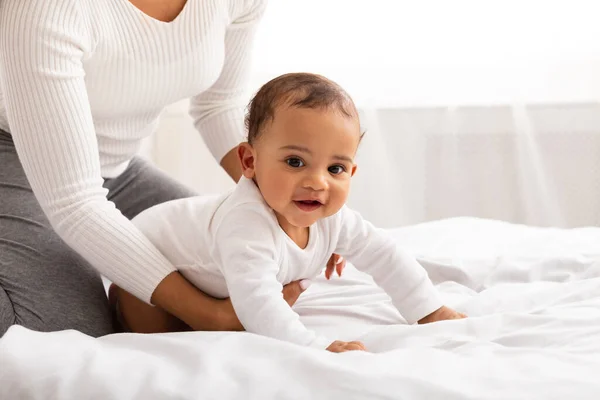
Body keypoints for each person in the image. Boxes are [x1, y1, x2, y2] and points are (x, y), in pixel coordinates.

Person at [0, 0, 343, 338]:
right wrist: (212, 316)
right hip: (13, 156)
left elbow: (218, 104)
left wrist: (301, 199)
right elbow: (74, 202)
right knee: (65, 330)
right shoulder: (45, 7)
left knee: (228, 253)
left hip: (114, 167)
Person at [113, 73, 467, 352]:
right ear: (250, 162)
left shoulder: (332, 219)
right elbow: (259, 303)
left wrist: (429, 309)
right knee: (167, 345)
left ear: (352, 173)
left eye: (336, 169)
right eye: (295, 162)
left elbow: (384, 254)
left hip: (200, 269)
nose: (317, 182)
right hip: (143, 270)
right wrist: (314, 345)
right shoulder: (246, 224)